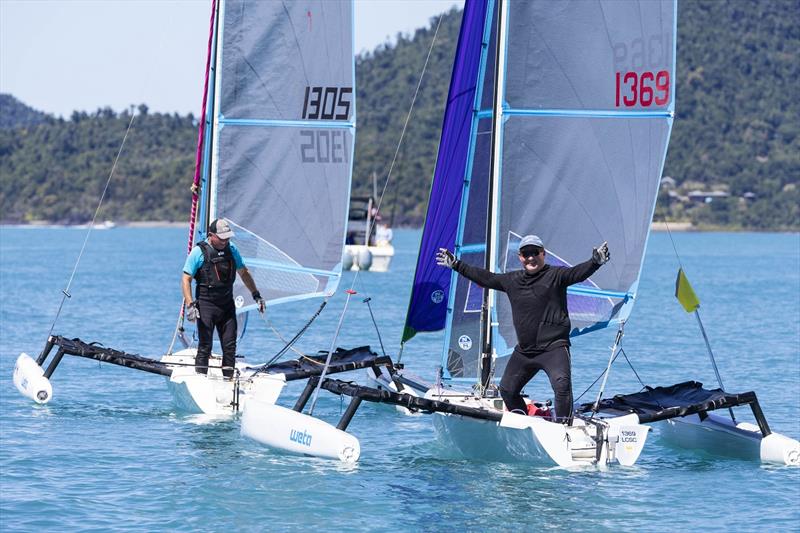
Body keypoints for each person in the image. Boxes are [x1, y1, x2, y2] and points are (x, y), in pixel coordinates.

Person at [436, 235, 610, 424]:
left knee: (562, 386)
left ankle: (563, 428)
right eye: (526, 254)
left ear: (543, 254)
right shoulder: (512, 280)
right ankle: (522, 420)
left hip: (554, 349)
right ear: (520, 257)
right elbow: (486, 278)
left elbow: (578, 273)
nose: (530, 258)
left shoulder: (557, 275)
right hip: (526, 351)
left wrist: (595, 262)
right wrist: (456, 265)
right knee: (508, 390)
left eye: (535, 253)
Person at [181, 218, 266, 378]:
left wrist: (256, 295)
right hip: (206, 306)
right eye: (222, 238)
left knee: (229, 347)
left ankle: (228, 380)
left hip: (227, 306)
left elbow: (244, 272)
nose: (225, 241)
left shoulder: (232, 249)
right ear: (211, 235)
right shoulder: (199, 252)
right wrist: (190, 305)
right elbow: (186, 279)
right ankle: (200, 379)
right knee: (205, 346)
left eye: (228, 237)